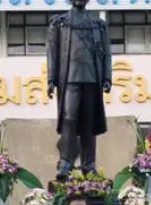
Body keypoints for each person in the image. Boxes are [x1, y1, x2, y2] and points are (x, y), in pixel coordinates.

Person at [46, 0, 112, 179]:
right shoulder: (59, 23)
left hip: (92, 78)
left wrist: (107, 77)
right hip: (69, 78)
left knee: (89, 122)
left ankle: (89, 163)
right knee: (69, 117)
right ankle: (65, 162)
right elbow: (52, 52)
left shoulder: (98, 25)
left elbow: (106, 53)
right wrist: (51, 78)